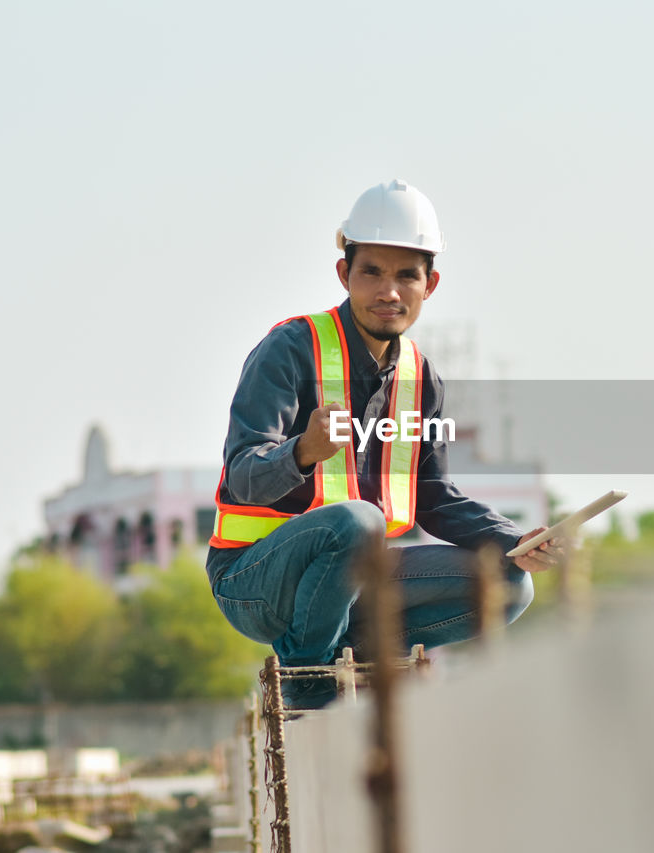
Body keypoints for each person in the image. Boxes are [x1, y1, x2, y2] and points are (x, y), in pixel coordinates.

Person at [205, 179, 560, 708]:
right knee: (360, 521)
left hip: (348, 584)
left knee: (507, 584)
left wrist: (514, 542)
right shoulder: (290, 349)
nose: (388, 291)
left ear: (430, 284)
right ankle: (310, 685)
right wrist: (301, 451)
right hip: (255, 579)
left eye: (405, 276)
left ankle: (343, 656)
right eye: (371, 271)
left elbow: (433, 495)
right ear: (344, 274)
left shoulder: (421, 380)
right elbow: (244, 474)